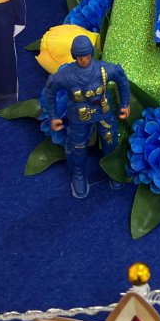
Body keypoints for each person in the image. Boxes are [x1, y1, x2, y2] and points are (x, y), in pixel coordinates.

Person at [43, 35, 131, 199]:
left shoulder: (104, 70)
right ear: (74, 56)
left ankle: (112, 169)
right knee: (77, 148)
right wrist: (53, 116)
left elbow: (122, 79)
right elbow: (50, 91)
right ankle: (78, 174)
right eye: (80, 57)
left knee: (110, 142)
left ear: (91, 53)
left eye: (87, 56)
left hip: (103, 113)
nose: (84, 60)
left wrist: (125, 104)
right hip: (78, 117)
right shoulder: (66, 75)